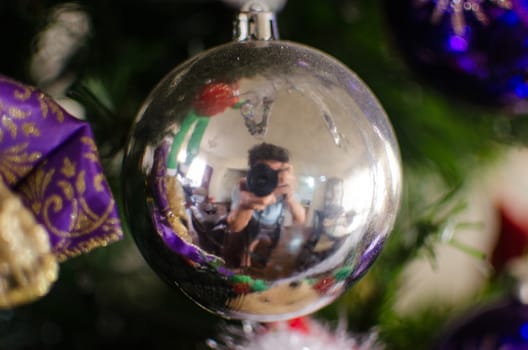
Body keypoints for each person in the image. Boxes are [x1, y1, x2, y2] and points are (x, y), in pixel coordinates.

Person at [226, 143, 306, 268]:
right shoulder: (244, 188)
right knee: (248, 246)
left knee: (272, 250)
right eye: (264, 172)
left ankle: (263, 263)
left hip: (274, 226)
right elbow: (236, 227)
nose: (270, 178)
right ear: (252, 172)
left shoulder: (286, 189)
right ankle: (245, 262)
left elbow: (300, 219)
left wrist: (290, 197)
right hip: (253, 224)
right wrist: (245, 206)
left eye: (277, 172)